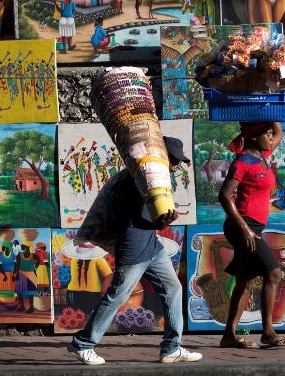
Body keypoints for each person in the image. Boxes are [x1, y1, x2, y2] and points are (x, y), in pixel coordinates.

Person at [67, 137, 202, 365]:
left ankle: (172, 348)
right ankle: (83, 344)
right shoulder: (136, 179)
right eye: (173, 160)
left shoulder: (151, 178)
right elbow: (134, 218)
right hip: (133, 249)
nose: (175, 166)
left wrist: (160, 223)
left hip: (152, 247)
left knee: (173, 289)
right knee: (117, 296)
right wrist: (161, 223)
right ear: (161, 156)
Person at [218, 121, 285, 349]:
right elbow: (224, 196)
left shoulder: (263, 155)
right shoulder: (242, 161)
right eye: (266, 134)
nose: (271, 137)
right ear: (253, 137)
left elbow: (279, 132)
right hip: (241, 227)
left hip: (254, 228)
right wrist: (245, 229)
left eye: (271, 134)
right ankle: (268, 333)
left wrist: (273, 110)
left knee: (245, 280)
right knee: (274, 272)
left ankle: (229, 336)